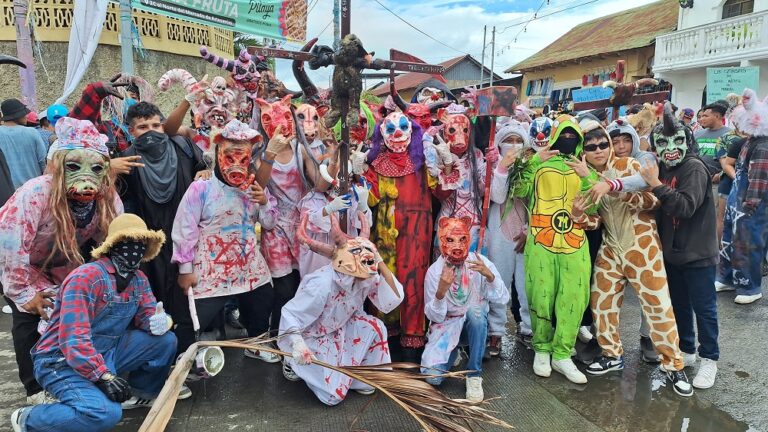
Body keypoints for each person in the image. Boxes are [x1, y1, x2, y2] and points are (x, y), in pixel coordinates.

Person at [10, 214, 177, 431]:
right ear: (112, 246)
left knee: (166, 341)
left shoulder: (138, 280)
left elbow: (148, 317)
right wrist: (103, 375)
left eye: (140, 244)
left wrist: (162, 321)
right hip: (61, 359)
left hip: (107, 350)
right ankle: (30, 418)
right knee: (105, 414)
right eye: (127, 243)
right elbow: (73, 340)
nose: (134, 249)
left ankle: (138, 394)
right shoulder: (86, 278)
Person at [0, 117, 122, 404]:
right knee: (30, 318)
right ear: (57, 165)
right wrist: (22, 292)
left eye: (95, 167)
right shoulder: (35, 193)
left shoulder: (106, 196)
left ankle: (74, 372)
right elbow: (10, 242)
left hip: (64, 261)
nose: (85, 176)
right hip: (22, 263)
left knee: (74, 316)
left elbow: (117, 234)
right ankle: (34, 389)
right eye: (74, 166)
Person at [572, 119, 692, 396]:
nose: (599, 149)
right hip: (611, 247)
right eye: (591, 147)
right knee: (601, 303)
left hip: (642, 246)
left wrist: (618, 190)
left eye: (604, 143)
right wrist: (579, 215)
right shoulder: (585, 176)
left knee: (658, 307)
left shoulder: (630, 166)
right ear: (584, 151)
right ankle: (612, 354)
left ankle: (674, 365)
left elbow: (654, 201)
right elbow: (594, 223)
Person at [172, 120, 279, 361]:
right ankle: (181, 362)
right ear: (218, 153)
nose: (237, 166)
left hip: (247, 264)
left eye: (243, 159)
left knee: (262, 300)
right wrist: (184, 269)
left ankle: (256, 344)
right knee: (195, 318)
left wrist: (263, 202)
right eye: (230, 158)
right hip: (211, 268)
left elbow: (270, 224)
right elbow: (184, 229)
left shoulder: (254, 188)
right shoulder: (201, 188)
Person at [280, 214, 403, 405]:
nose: (370, 275)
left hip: (343, 327)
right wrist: (297, 345)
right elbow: (291, 314)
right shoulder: (321, 285)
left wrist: (379, 261)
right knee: (332, 396)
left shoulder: (365, 276)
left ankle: (358, 375)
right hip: (314, 336)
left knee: (375, 326)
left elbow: (392, 299)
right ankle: (292, 363)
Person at [511, 115, 598, 384]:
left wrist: (587, 177)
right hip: (541, 241)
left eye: (573, 137)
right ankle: (541, 348)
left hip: (574, 242)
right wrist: (535, 161)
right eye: (564, 135)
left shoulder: (586, 167)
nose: (568, 141)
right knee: (541, 294)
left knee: (573, 297)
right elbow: (517, 188)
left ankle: (562, 354)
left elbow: (594, 207)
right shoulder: (539, 163)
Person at [640, 102, 720, 390]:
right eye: (663, 142)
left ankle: (709, 359)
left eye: (677, 141)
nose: (670, 148)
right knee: (680, 306)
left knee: (704, 308)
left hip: (698, 253)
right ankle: (687, 350)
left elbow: (685, 207)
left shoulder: (694, 168)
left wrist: (656, 185)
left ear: (688, 141)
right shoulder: (661, 167)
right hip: (672, 254)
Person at [356, 112, 436, 361]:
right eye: (391, 130)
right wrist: (358, 174)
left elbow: (442, 192)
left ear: (412, 131)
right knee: (386, 279)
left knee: (414, 280)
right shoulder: (378, 164)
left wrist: (442, 165)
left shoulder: (423, 162)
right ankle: (385, 336)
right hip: (386, 235)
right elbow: (368, 200)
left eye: (403, 127)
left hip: (418, 233)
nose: (398, 133)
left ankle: (412, 336)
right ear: (382, 134)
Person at [119, 102, 205, 319]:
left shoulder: (182, 147)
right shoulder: (127, 159)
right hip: (151, 242)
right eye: (143, 127)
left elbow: (204, 167)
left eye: (156, 125)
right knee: (157, 294)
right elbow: (123, 201)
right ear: (132, 131)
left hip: (188, 237)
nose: (151, 131)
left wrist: (206, 170)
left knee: (193, 291)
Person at [422, 217, 508, 402]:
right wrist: (440, 292)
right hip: (447, 328)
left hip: (474, 325)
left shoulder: (479, 262)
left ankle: (474, 373)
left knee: (475, 312)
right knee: (432, 378)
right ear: (441, 241)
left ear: (469, 238)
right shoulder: (435, 271)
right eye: (450, 240)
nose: (457, 245)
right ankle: (455, 351)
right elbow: (433, 317)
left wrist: (490, 276)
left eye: (462, 239)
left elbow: (503, 298)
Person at [487, 120, 537, 354]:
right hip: (499, 233)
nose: (513, 145)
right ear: (499, 144)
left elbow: (536, 201)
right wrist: (502, 168)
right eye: (509, 140)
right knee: (498, 281)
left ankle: (527, 328)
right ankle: (495, 331)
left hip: (526, 234)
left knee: (526, 286)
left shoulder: (532, 167)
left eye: (519, 140)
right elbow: (497, 197)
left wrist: (529, 230)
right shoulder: (494, 165)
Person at [716, 88, 768, 305]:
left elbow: (759, 179)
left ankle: (749, 286)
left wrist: (750, 205)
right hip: (737, 201)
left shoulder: (763, 145)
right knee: (729, 238)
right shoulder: (750, 142)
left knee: (747, 243)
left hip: (750, 206)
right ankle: (727, 277)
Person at [0, 98, 47, 188]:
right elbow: (42, 162)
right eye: (24, 113)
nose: (26, 116)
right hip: (33, 189)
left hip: (7, 191)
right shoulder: (32, 132)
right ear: (17, 115)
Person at [695, 101, 732, 178]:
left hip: (717, 183)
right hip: (697, 180)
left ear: (717, 116)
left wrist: (721, 175)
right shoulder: (697, 134)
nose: (701, 119)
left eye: (705, 116)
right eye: (701, 116)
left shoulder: (730, 135)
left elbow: (735, 161)